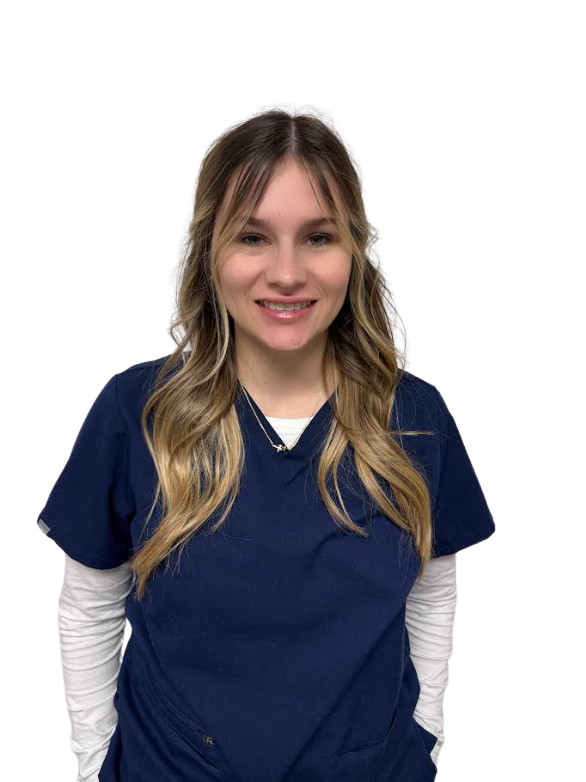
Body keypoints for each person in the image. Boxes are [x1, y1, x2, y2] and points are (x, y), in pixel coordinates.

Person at [39, 104, 495, 782]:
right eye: (252, 237)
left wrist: (427, 734)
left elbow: (435, 585)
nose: (287, 274)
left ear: (353, 252)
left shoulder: (413, 417)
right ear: (210, 252)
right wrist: (95, 761)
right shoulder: (136, 411)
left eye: (318, 238)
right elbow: (90, 601)